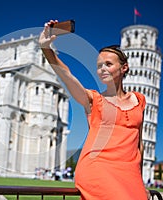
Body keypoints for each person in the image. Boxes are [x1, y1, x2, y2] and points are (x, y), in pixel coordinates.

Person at [39, 20, 149, 199]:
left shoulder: (140, 100)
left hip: (131, 174)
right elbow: (67, 75)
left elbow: (139, 144)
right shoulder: (94, 100)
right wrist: (47, 49)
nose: (102, 69)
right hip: (98, 168)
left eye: (108, 64)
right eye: (99, 66)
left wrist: (141, 181)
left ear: (124, 68)